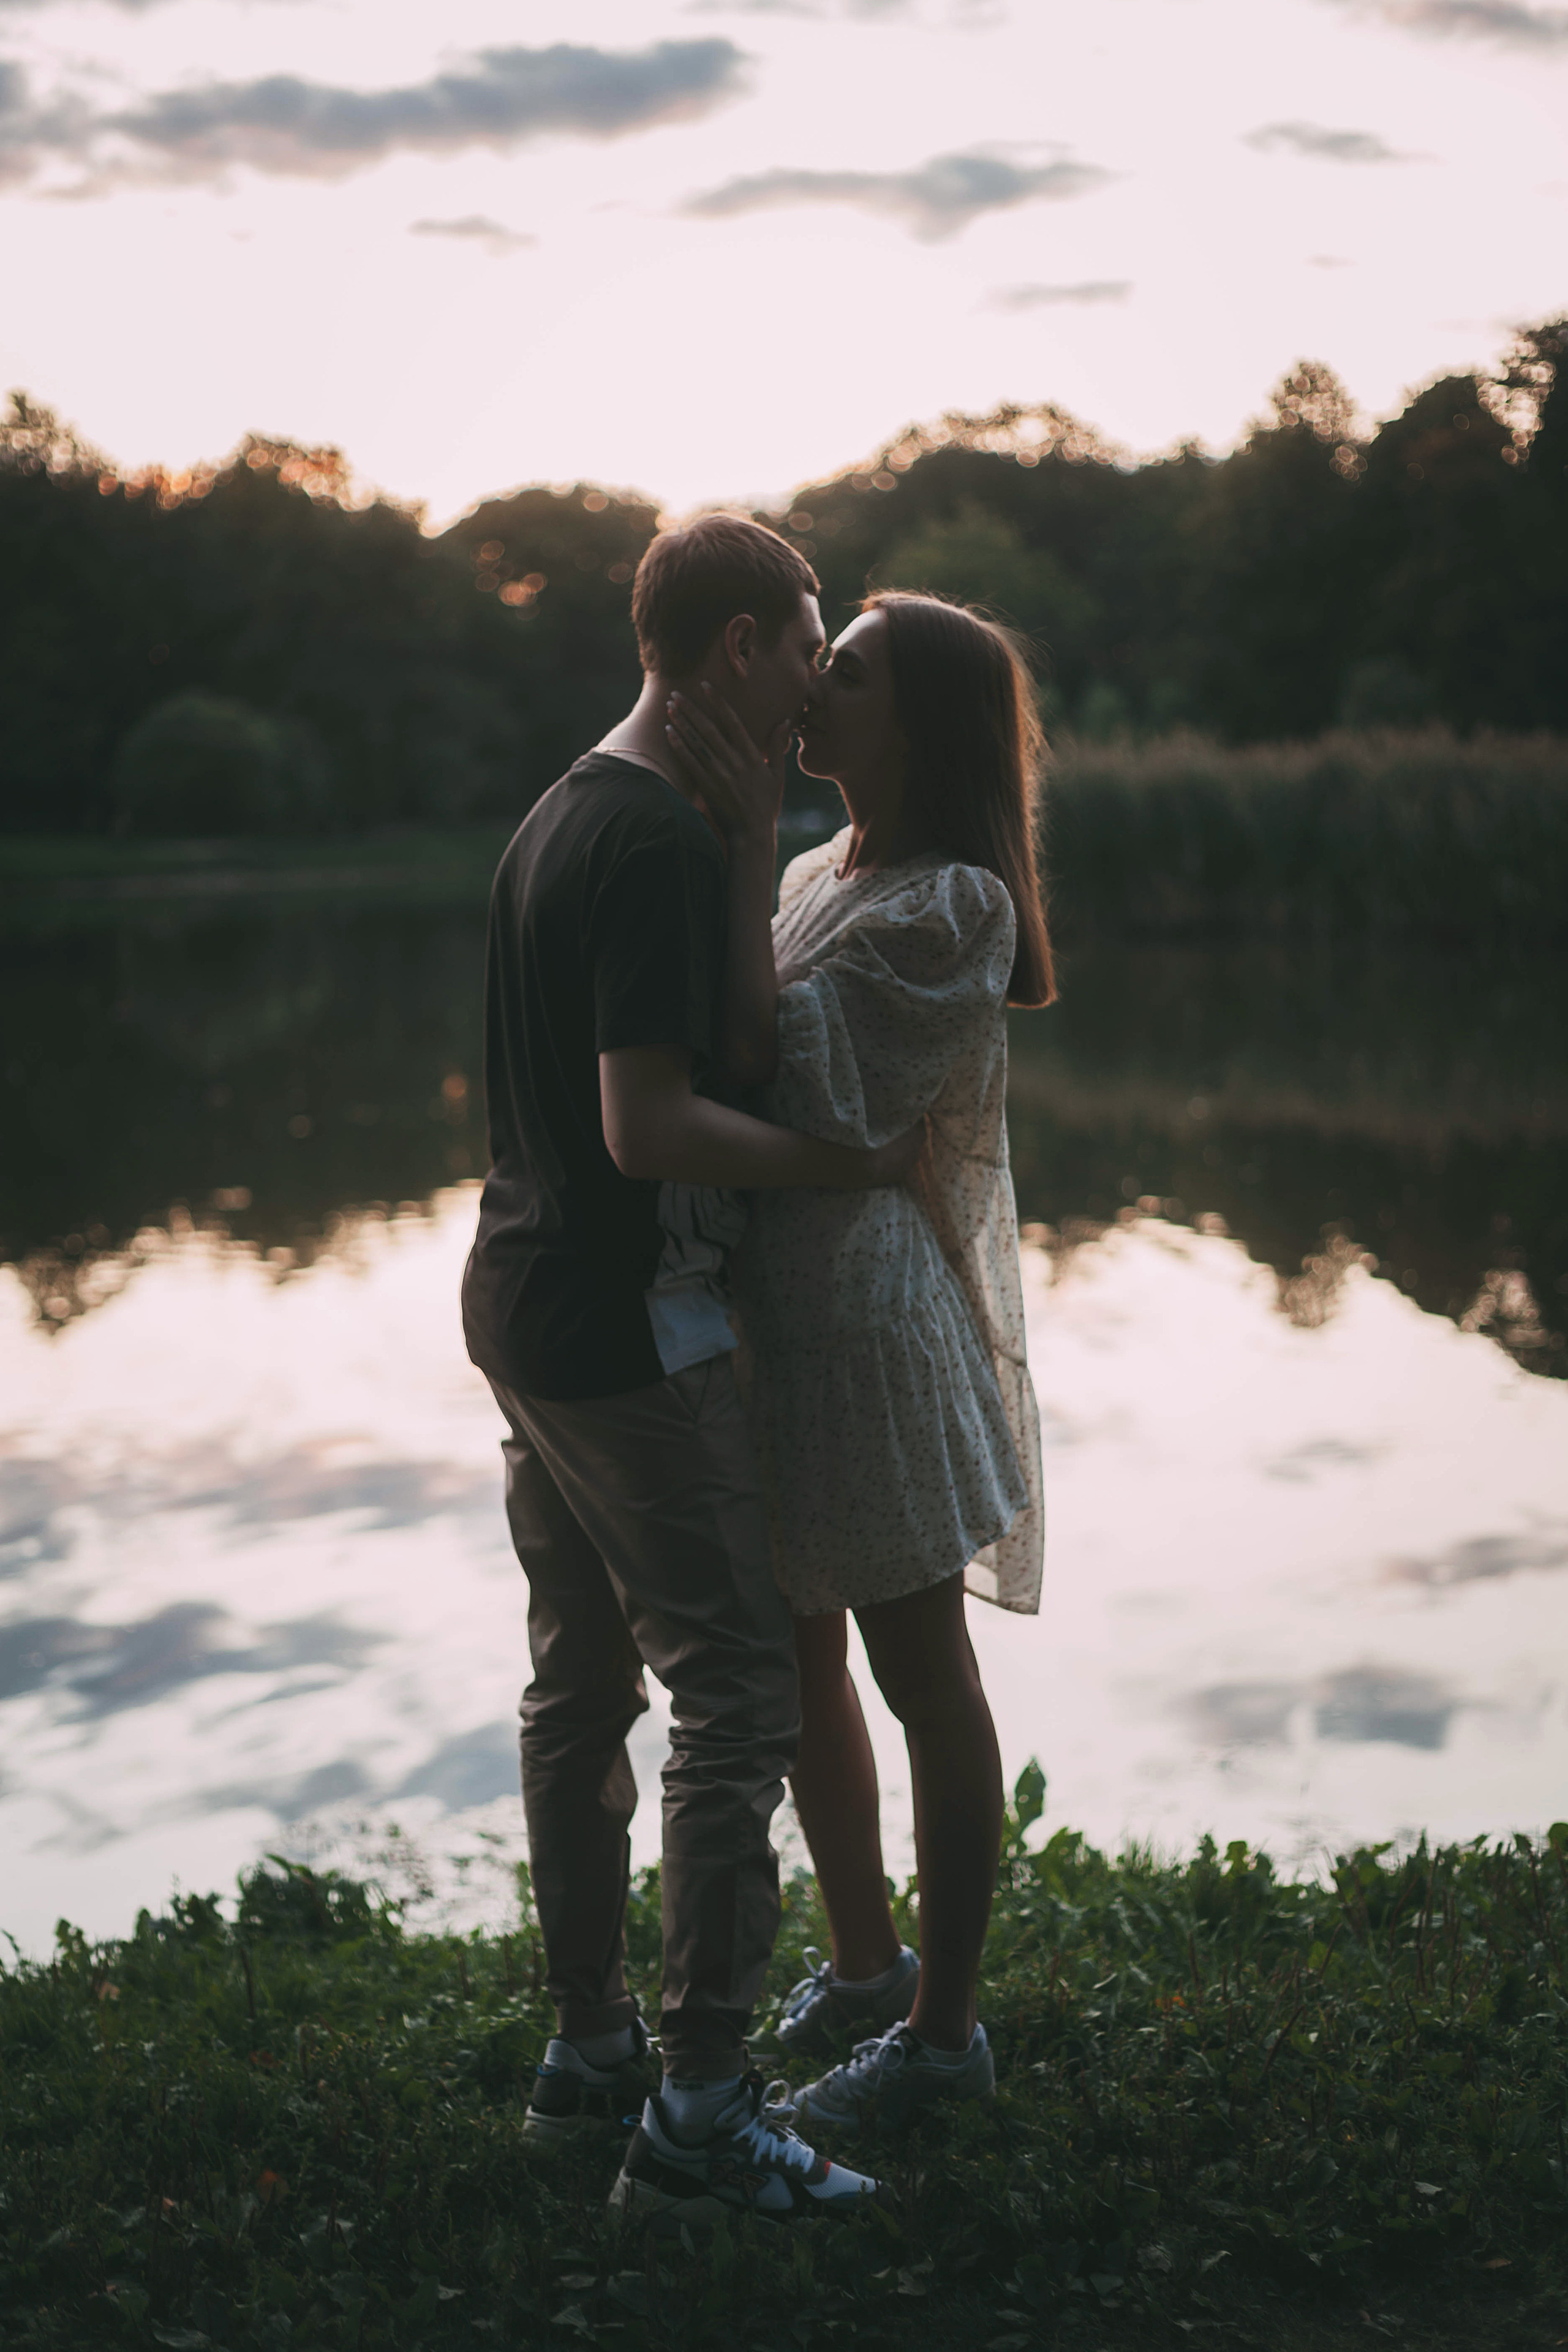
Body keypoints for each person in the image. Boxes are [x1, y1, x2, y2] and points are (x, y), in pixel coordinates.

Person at [461, 515, 920, 2227]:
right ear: (737, 645)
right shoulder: (648, 841)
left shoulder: (570, 805)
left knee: (581, 1688)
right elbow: (656, 1120)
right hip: (632, 1327)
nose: (814, 674)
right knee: (732, 1695)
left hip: (522, 1305)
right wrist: (855, 1166)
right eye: (804, 638)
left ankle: (588, 2055)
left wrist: (746, 844)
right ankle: (703, 2120)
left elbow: (706, 1038)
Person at [663, 589, 1052, 2135]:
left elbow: (773, 1068)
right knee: (801, 1653)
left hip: (871, 1331)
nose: (812, 689)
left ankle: (943, 2039)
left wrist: (739, 820)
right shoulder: (827, 867)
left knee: (917, 1671)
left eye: (850, 672)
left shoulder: (960, 904)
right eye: (818, 666)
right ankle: (863, 1962)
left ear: (927, 722)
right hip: (775, 1319)